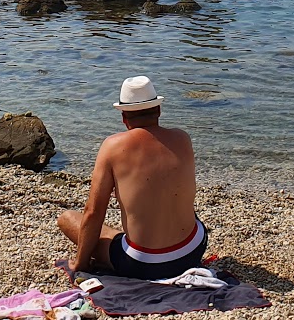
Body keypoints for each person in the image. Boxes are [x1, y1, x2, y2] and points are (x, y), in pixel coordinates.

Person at [57, 76, 207, 281]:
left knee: (67, 219)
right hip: (192, 251)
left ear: (124, 117)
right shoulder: (182, 138)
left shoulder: (112, 147)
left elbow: (93, 212)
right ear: (159, 110)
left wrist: (81, 265)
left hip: (143, 263)